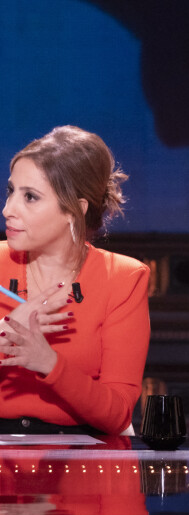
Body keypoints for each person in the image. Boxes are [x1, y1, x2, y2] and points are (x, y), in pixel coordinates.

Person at [0, 125, 150, 435]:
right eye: (10, 191)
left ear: (74, 211)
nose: (7, 209)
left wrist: (49, 363)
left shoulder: (123, 279)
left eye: (30, 197)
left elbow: (118, 413)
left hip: (80, 457)